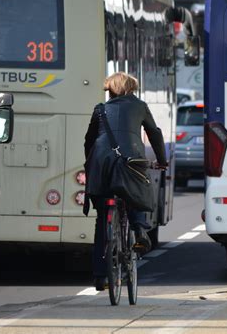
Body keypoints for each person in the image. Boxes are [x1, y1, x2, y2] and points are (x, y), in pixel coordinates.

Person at [83, 72, 167, 290]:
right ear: (131, 89)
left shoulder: (100, 109)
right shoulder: (140, 106)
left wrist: (90, 163)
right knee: (133, 191)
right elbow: (155, 134)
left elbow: (89, 140)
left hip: (101, 163)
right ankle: (139, 230)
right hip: (131, 159)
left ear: (110, 89)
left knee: (103, 218)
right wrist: (162, 160)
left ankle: (101, 277)